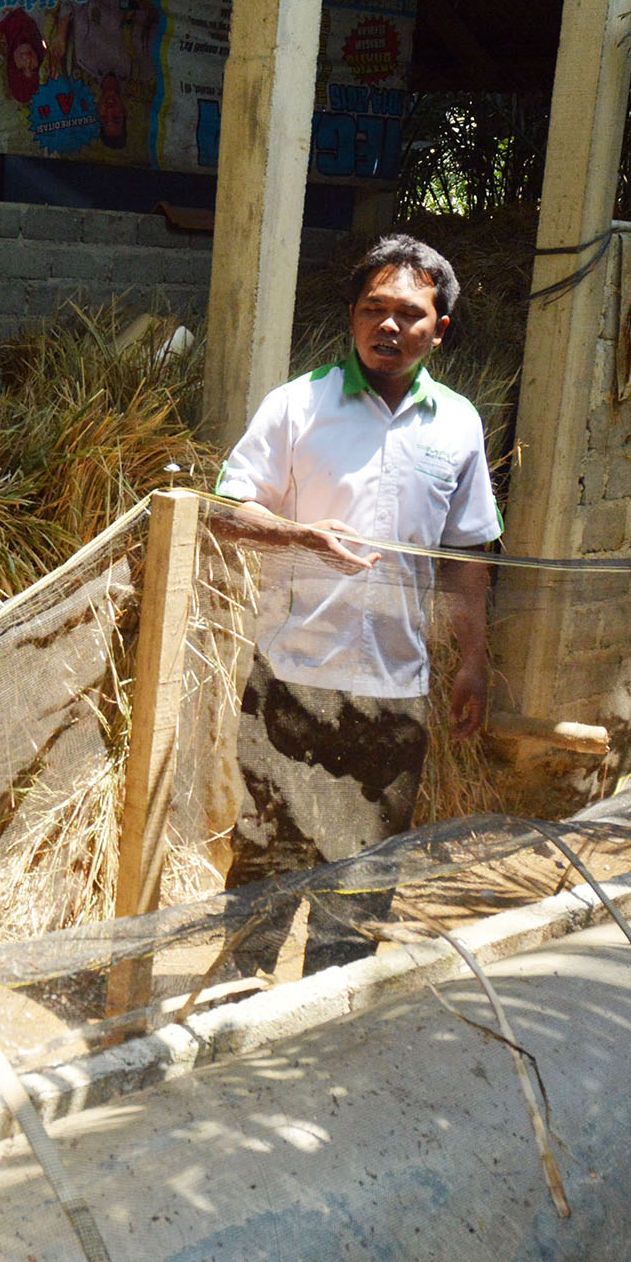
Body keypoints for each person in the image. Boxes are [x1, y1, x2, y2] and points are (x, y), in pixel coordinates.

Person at [212, 234, 500, 974]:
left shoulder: (460, 425)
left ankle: (322, 1019)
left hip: (393, 694)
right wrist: (301, 533)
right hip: (291, 682)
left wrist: (473, 662)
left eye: (410, 312)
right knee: (265, 859)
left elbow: (470, 556)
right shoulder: (297, 405)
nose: (389, 325)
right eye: (374, 308)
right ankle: (235, 1008)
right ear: (351, 317)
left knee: (364, 880)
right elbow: (225, 509)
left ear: (440, 328)